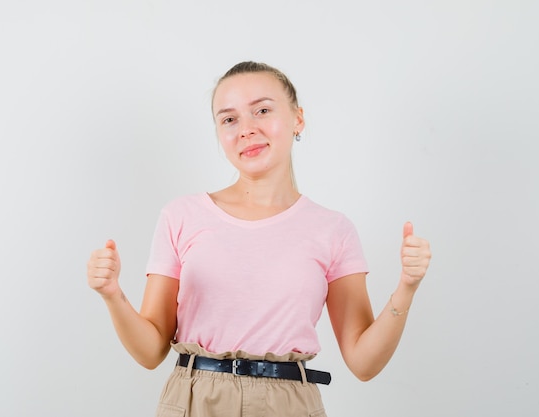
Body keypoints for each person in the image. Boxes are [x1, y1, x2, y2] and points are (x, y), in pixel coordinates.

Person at [87, 61, 432, 417]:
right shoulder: (181, 216)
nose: (246, 130)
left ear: (298, 119)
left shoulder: (333, 230)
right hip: (194, 399)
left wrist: (407, 285)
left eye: (262, 111)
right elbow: (150, 351)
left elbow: (363, 362)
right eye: (229, 119)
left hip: (289, 403)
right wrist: (113, 295)